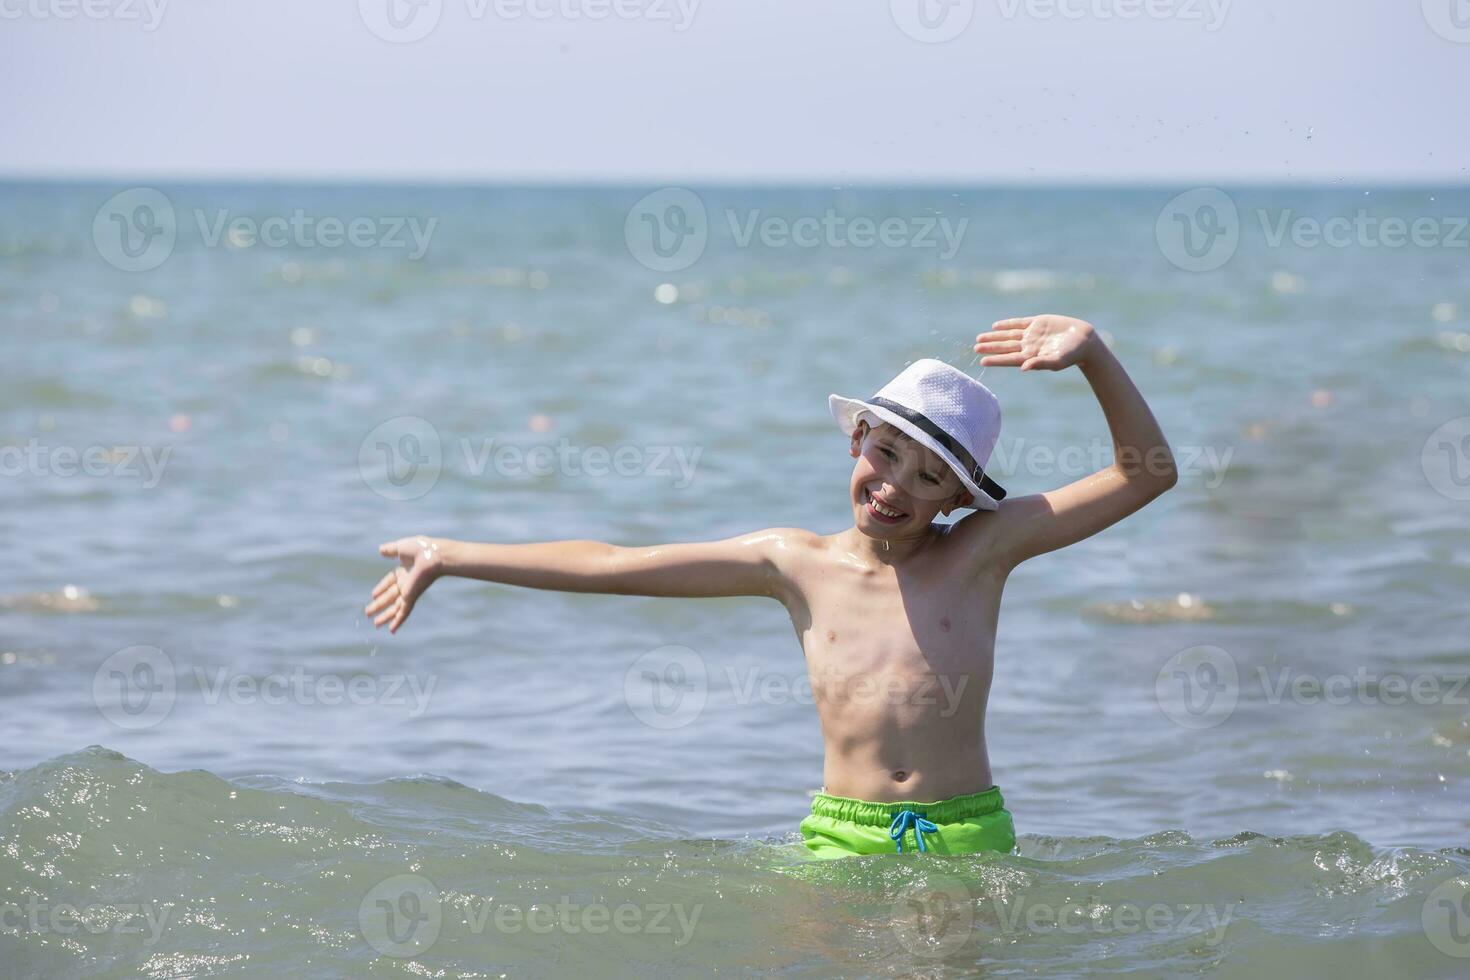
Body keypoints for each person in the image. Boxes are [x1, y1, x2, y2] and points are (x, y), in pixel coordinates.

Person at [365, 313, 1177, 858]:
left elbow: (1148, 476)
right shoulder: (795, 563)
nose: (895, 486)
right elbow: (612, 563)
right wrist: (454, 553)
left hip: (962, 833)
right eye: (887, 455)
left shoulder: (982, 551)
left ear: (959, 498)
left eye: (929, 477)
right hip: (835, 834)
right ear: (858, 438)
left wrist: (1094, 356)